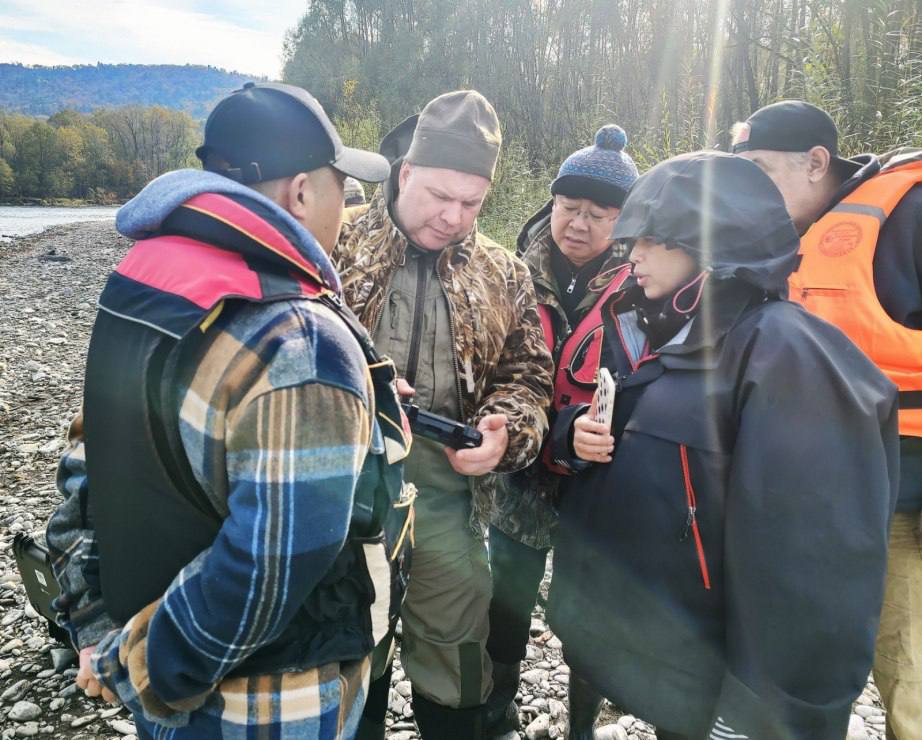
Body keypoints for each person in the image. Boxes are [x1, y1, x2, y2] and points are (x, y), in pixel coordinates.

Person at [45, 82, 412, 739]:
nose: (348, 209)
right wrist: (140, 664)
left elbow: (91, 456)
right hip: (262, 706)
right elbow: (263, 575)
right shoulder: (299, 340)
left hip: (153, 667)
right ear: (302, 192)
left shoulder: (145, 276)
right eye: (342, 188)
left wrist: (98, 626)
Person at [547, 151, 899, 740]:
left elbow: (815, 567)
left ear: (714, 247)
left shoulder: (786, 357)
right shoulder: (658, 330)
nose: (631, 254)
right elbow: (633, 442)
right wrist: (571, 438)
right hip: (656, 649)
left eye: (655, 239)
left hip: (718, 674)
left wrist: (762, 711)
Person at [334, 89, 554, 739]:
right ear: (404, 173)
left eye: (472, 204)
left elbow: (528, 379)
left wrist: (505, 432)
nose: (454, 217)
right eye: (438, 196)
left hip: (448, 502)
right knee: (348, 657)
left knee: (458, 661)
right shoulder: (333, 243)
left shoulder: (504, 273)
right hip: (341, 503)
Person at [732, 100, 922, 739]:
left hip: (906, 506)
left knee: (911, 684)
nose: (749, 188)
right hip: (821, 504)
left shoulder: (909, 214)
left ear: (816, 162)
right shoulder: (785, 239)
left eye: (760, 169)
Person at [484, 124, 639, 738]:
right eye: (567, 208)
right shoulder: (509, 273)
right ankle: (496, 709)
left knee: (589, 620)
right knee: (504, 606)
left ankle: (581, 723)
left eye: (598, 214)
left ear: (622, 221)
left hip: (599, 488)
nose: (577, 223)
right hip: (520, 479)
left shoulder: (646, 289)